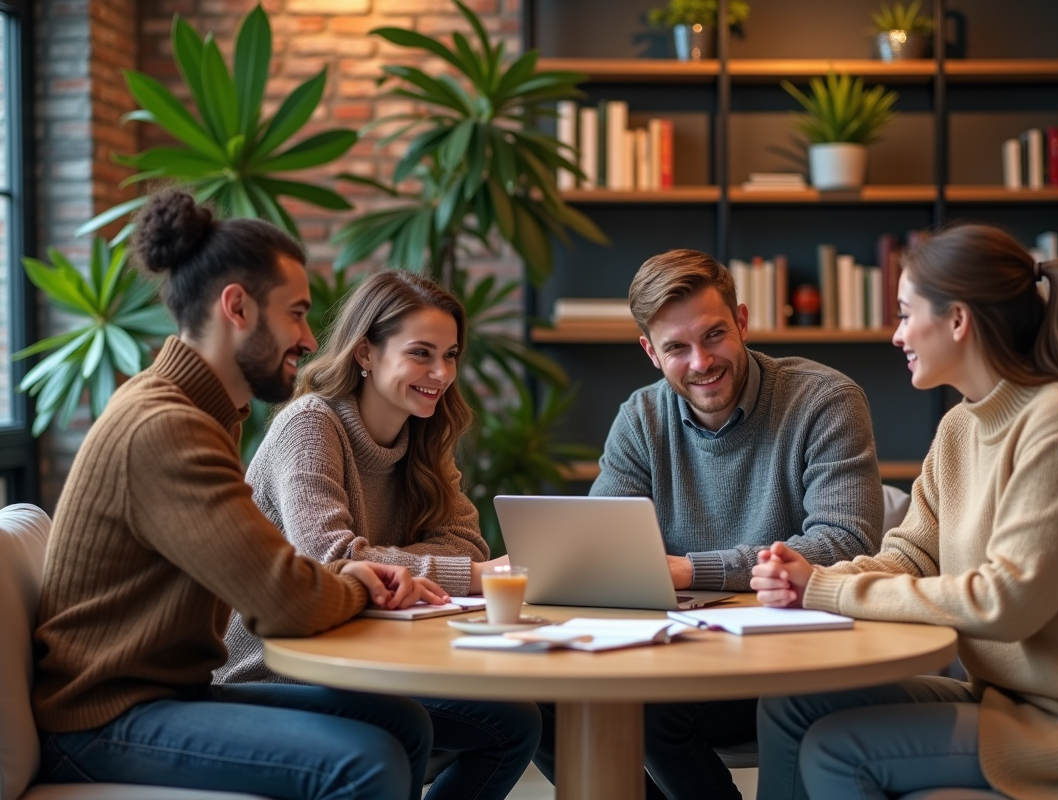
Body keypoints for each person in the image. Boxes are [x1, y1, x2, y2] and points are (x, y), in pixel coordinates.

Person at [752, 224, 1058, 800]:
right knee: (789, 704)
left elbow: (1006, 604)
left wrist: (824, 591)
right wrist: (812, 579)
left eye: (906, 314)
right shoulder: (962, 425)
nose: (897, 335)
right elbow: (913, 552)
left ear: (957, 320)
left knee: (839, 750)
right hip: (1010, 699)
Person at [33, 190, 438, 800]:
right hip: (103, 720)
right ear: (237, 307)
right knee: (367, 762)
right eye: (297, 313)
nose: (308, 338)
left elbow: (265, 570)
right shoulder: (165, 426)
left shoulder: (207, 412)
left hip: (173, 693)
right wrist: (358, 581)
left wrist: (349, 571)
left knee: (401, 723)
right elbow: (282, 601)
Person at [535, 249, 885, 800]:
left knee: (651, 713)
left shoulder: (825, 400)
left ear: (742, 322)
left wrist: (685, 569)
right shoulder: (640, 418)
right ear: (651, 352)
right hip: (676, 653)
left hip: (789, 663)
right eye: (676, 347)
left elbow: (844, 544)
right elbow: (601, 550)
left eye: (714, 335)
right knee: (537, 704)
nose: (700, 362)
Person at [215, 269, 541, 800]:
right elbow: (333, 557)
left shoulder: (425, 434)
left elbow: (465, 543)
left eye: (451, 355)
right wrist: (469, 576)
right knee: (481, 723)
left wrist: (403, 567)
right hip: (274, 667)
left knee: (517, 723)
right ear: (365, 352)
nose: (441, 373)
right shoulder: (309, 424)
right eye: (421, 353)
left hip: (365, 655)